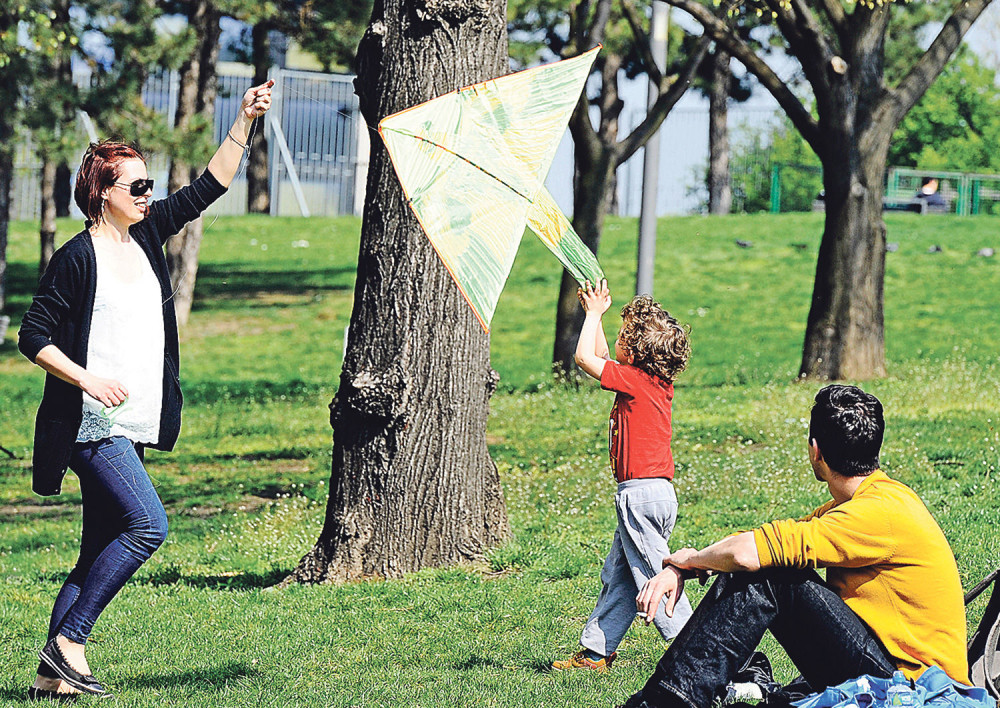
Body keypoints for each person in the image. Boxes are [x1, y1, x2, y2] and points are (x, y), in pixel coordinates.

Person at [17, 80, 273, 700]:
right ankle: (70, 642)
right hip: (91, 423)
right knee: (147, 526)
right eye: (134, 187)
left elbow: (210, 185)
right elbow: (32, 336)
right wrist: (87, 378)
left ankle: (51, 680)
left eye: (148, 184)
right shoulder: (76, 258)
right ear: (101, 194)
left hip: (130, 423)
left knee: (97, 548)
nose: (146, 194)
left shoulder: (148, 234)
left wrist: (243, 120)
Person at [621, 385, 968, 708]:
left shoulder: (876, 513)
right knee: (767, 561)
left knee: (770, 574)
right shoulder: (875, 502)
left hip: (914, 692)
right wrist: (687, 566)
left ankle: (665, 701)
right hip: (895, 672)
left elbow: (749, 554)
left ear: (815, 451)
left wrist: (692, 559)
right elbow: (760, 541)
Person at [552, 280, 693, 672]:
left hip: (640, 496)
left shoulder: (633, 381)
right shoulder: (651, 382)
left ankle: (699, 652)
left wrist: (594, 313)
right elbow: (598, 355)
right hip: (655, 494)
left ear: (635, 352)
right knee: (621, 576)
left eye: (621, 336)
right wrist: (593, 315)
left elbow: (585, 358)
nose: (614, 340)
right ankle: (596, 653)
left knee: (653, 575)